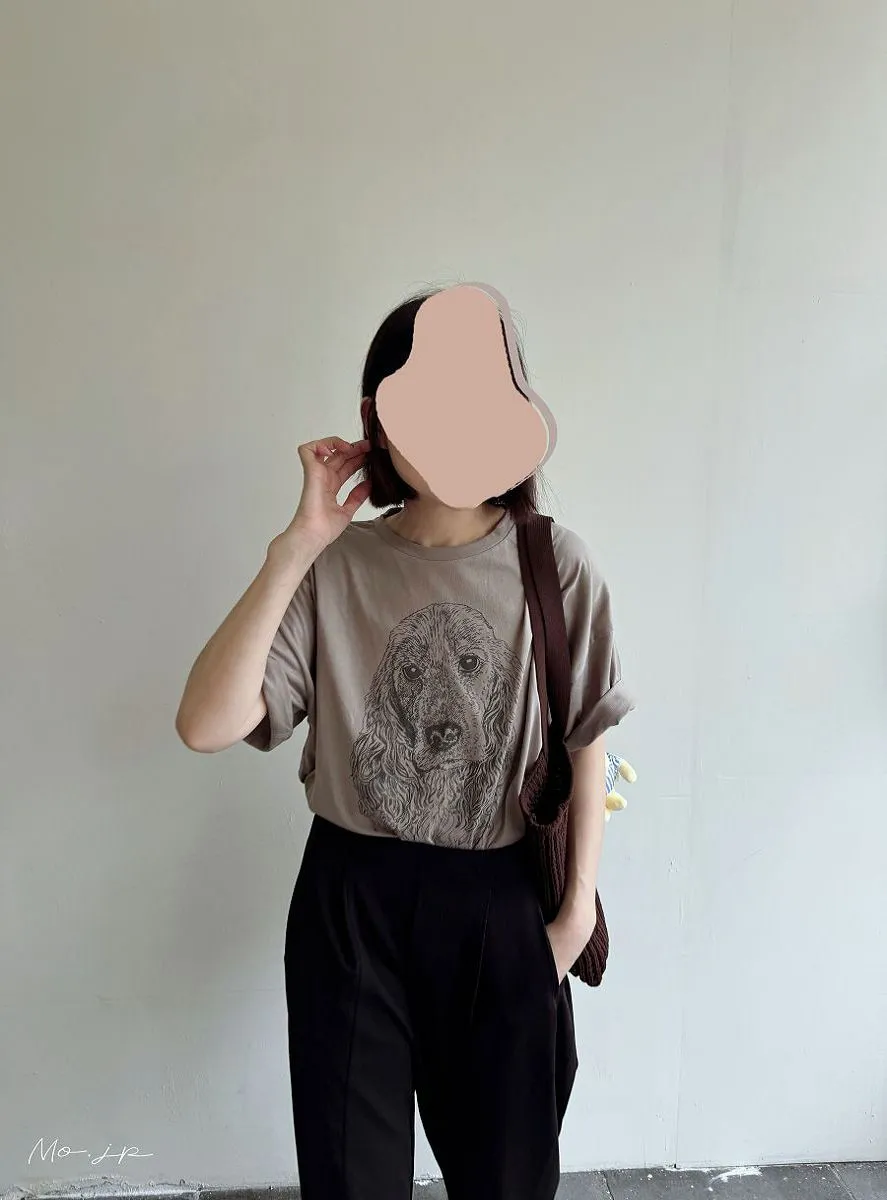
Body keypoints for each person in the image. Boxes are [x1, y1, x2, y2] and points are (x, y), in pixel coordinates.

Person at [175, 287, 634, 1200]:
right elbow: (206, 724)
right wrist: (295, 545)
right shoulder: (335, 566)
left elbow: (586, 735)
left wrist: (574, 912)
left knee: (505, 1181)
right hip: (351, 903)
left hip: (500, 899)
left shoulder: (555, 564)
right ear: (376, 420)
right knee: (352, 1181)